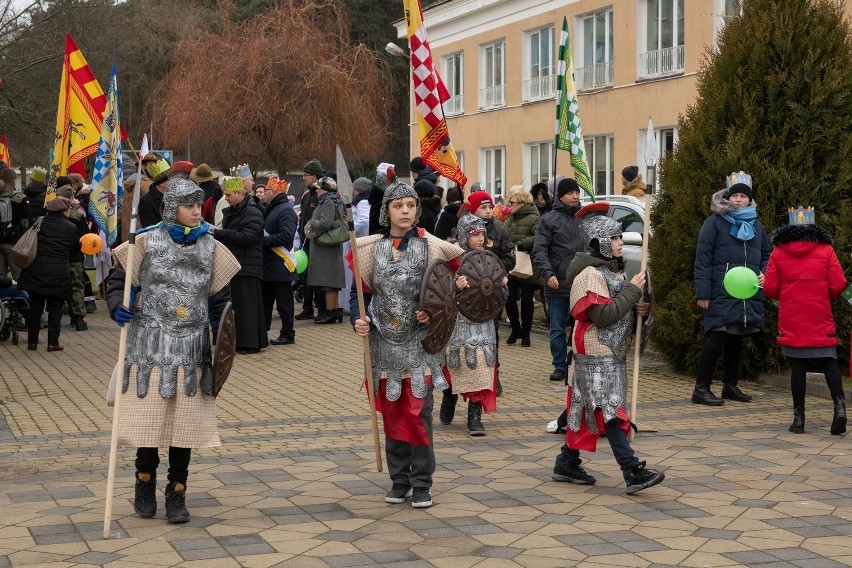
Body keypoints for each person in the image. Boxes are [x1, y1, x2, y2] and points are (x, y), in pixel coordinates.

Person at [106, 177, 239, 525]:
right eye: (189, 205)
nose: (197, 211)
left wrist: (220, 335)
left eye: (200, 205)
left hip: (192, 346)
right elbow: (120, 280)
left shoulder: (212, 246)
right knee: (148, 422)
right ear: (170, 208)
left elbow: (220, 298)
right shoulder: (145, 242)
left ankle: (177, 490)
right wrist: (116, 304)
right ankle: (144, 483)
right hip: (148, 345)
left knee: (185, 424)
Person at [351, 180, 464, 508]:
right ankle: (399, 480)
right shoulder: (369, 250)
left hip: (419, 345)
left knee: (418, 414)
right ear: (386, 211)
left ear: (417, 210)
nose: (405, 211)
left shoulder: (431, 246)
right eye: (398, 205)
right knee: (393, 415)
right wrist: (358, 321)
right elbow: (359, 298)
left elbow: (450, 289)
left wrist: (434, 313)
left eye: (410, 205)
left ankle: (422, 482)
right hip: (383, 345)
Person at [550, 201, 664, 495]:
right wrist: (631, 292)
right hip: (594, 347)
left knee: (591, 406)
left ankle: (566, 462)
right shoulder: (590, 274)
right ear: (598, 242)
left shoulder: (610, 270)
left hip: (608, 349)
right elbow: (603, 315)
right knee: (610, 408)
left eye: (618, 237)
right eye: (614, 238)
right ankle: (631, 470)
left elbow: (619, 308)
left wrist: (637, 308)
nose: (619, 243)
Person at [763, 206, 847, 434]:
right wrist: (822, 295)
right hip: (819, 313)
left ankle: (799, 419)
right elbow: (839, 283)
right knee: (829, 360)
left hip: (792, 315)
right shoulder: (826, 250)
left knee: (798, 366)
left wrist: (787, 295)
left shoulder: (778, 252)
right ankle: (840, 407)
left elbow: (769, 287)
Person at [693, 172, 771, 406]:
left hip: (747, 293)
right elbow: (703, 259)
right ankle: (701, 389)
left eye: (743, 196)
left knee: (737, 339)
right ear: (728, 198)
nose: (738, 200)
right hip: (720, 292)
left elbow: (767, 254)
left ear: (749, 200)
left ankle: (730, 386)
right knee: (718, 338)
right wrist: (703, 293)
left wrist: (765, 273)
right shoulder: (714, 223)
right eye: (734, 196)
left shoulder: (757, 225)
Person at [441, 214, 502, 435]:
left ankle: (474, 417)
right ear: (464, 236)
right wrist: (455, 287)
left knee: (482, 367)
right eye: (475, 235)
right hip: (459, 323)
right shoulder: (452, 260)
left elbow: (498, 290)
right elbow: (440, 292)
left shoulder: (488, 258)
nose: (480, 239)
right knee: (456, 366)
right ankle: (449, 397)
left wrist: (500, 284)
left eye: (483, 234)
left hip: (483, 322)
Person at [531, 178, 584, 381]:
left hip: (582, 284)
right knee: (557, 328)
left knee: (582, 326)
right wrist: (548, 274)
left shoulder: (584, 217)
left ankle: (580, 361)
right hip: (557, 283)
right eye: (570, 192)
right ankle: (560, 365)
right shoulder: (548, 219)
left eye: (577, 192)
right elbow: (540, 250)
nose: (575, 196)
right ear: (561, 195)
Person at [210, 176, 267, 354]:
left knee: (247, 307)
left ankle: (249, 343)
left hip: (247, 266)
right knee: (240, 306)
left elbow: (247, 237)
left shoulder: (252, 211)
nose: (225, 198)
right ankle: (241, 341)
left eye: (228, 195)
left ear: (238, 193)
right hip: (237, 263)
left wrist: (220, 233)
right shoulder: (236, 209)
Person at [17, 196, 79, 351]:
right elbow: (74, 252)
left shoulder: (39, 222)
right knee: (56, 308)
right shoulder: (71, 227)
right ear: (65, 210)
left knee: (35, 307)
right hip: (59, 272)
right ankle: (52, 343)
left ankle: (32, 342)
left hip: (36, 271)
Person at [503, 186, 542, 347]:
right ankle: (515, 328)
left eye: (512, 202)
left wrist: (522, 243)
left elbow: (539, 237)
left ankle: (526, 334)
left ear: (522, 203)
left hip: (528, 265)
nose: (509, 205)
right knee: (508, 297)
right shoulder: (510, 218)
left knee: (527, 301)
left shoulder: (534, 218)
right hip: (513, 263)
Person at [261, 177, 298, 345]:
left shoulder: (286, 211)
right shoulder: (272, 208)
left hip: (280, 264)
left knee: (284, 303)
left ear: (275, 192)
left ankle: (288, 333)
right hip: (269, 265)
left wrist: (262, 241)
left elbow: (286, 236)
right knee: (266, 302)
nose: (264, 194)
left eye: (267, 191)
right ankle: (263, 331)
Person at [305, 176, 346, 324]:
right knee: (331, 280)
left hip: (326, 247)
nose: (317, 190)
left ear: (325, 189)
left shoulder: (328, 201)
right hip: (330, 246)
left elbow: (325, 223)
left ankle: (330, 312)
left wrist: (311, 222)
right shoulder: (334, 200)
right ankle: (334, 311)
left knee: (328, 281)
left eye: (319, 188)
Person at [55, 184, 89, 331]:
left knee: (56, 287)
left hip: (56, 257)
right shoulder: (77, 215)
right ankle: (78, 319)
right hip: (74, 256)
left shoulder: (49, 212)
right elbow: (85, 236)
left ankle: (54, 318)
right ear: (71, 198)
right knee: (77, 287)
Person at [296, 159, 325, 320]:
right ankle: (307, 307)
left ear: (314, 176)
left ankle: (320, 307)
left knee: (316, 275)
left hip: (316, 241)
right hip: (304, 241)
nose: (303, 178)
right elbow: (302, 217)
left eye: (306, 175)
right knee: (305, 275)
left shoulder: (321, 194)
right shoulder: (307, 195)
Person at [1, 173, 32, 280]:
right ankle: (20, 297)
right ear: (14, 180)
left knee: (1, 278)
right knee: (19, 277)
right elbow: (26, 223)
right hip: (14, 242)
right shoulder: (19, 198)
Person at [410, 157, 441, 233]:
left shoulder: (422, 184)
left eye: (412, 171)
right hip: (431, 220)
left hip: (425, 222)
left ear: (415, 171)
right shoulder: (428, 180)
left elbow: (421, 207)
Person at [137, 159, 171, 228]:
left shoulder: (174, 196)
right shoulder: (146, 201)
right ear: (161, 183)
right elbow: (150, 227)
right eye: (170, 179)